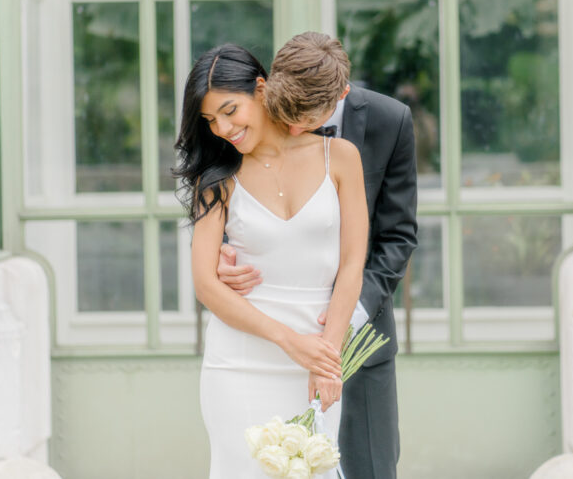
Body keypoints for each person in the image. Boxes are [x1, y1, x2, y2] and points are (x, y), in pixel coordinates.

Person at [218, 32, 418, 479]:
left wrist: (340, 329)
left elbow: (398, 237)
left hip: (360, 344)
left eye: (304, 119)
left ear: (342, 94)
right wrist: (219, 254)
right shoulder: (254, 110)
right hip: (271, 342)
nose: (290, 131)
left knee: (370, 470)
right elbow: (227, 200)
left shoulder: (391, 121)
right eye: (284, 116)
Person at [174, 43, 369, 479]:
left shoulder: (340, 157)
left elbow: (353, 262)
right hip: (239, 361)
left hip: (318, 353)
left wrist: (327, 357)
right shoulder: (218, 179)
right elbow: (206, 285)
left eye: (230, 110)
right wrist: (288, 341)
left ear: (261, 89)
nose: (222, 128)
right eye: (210, 120)